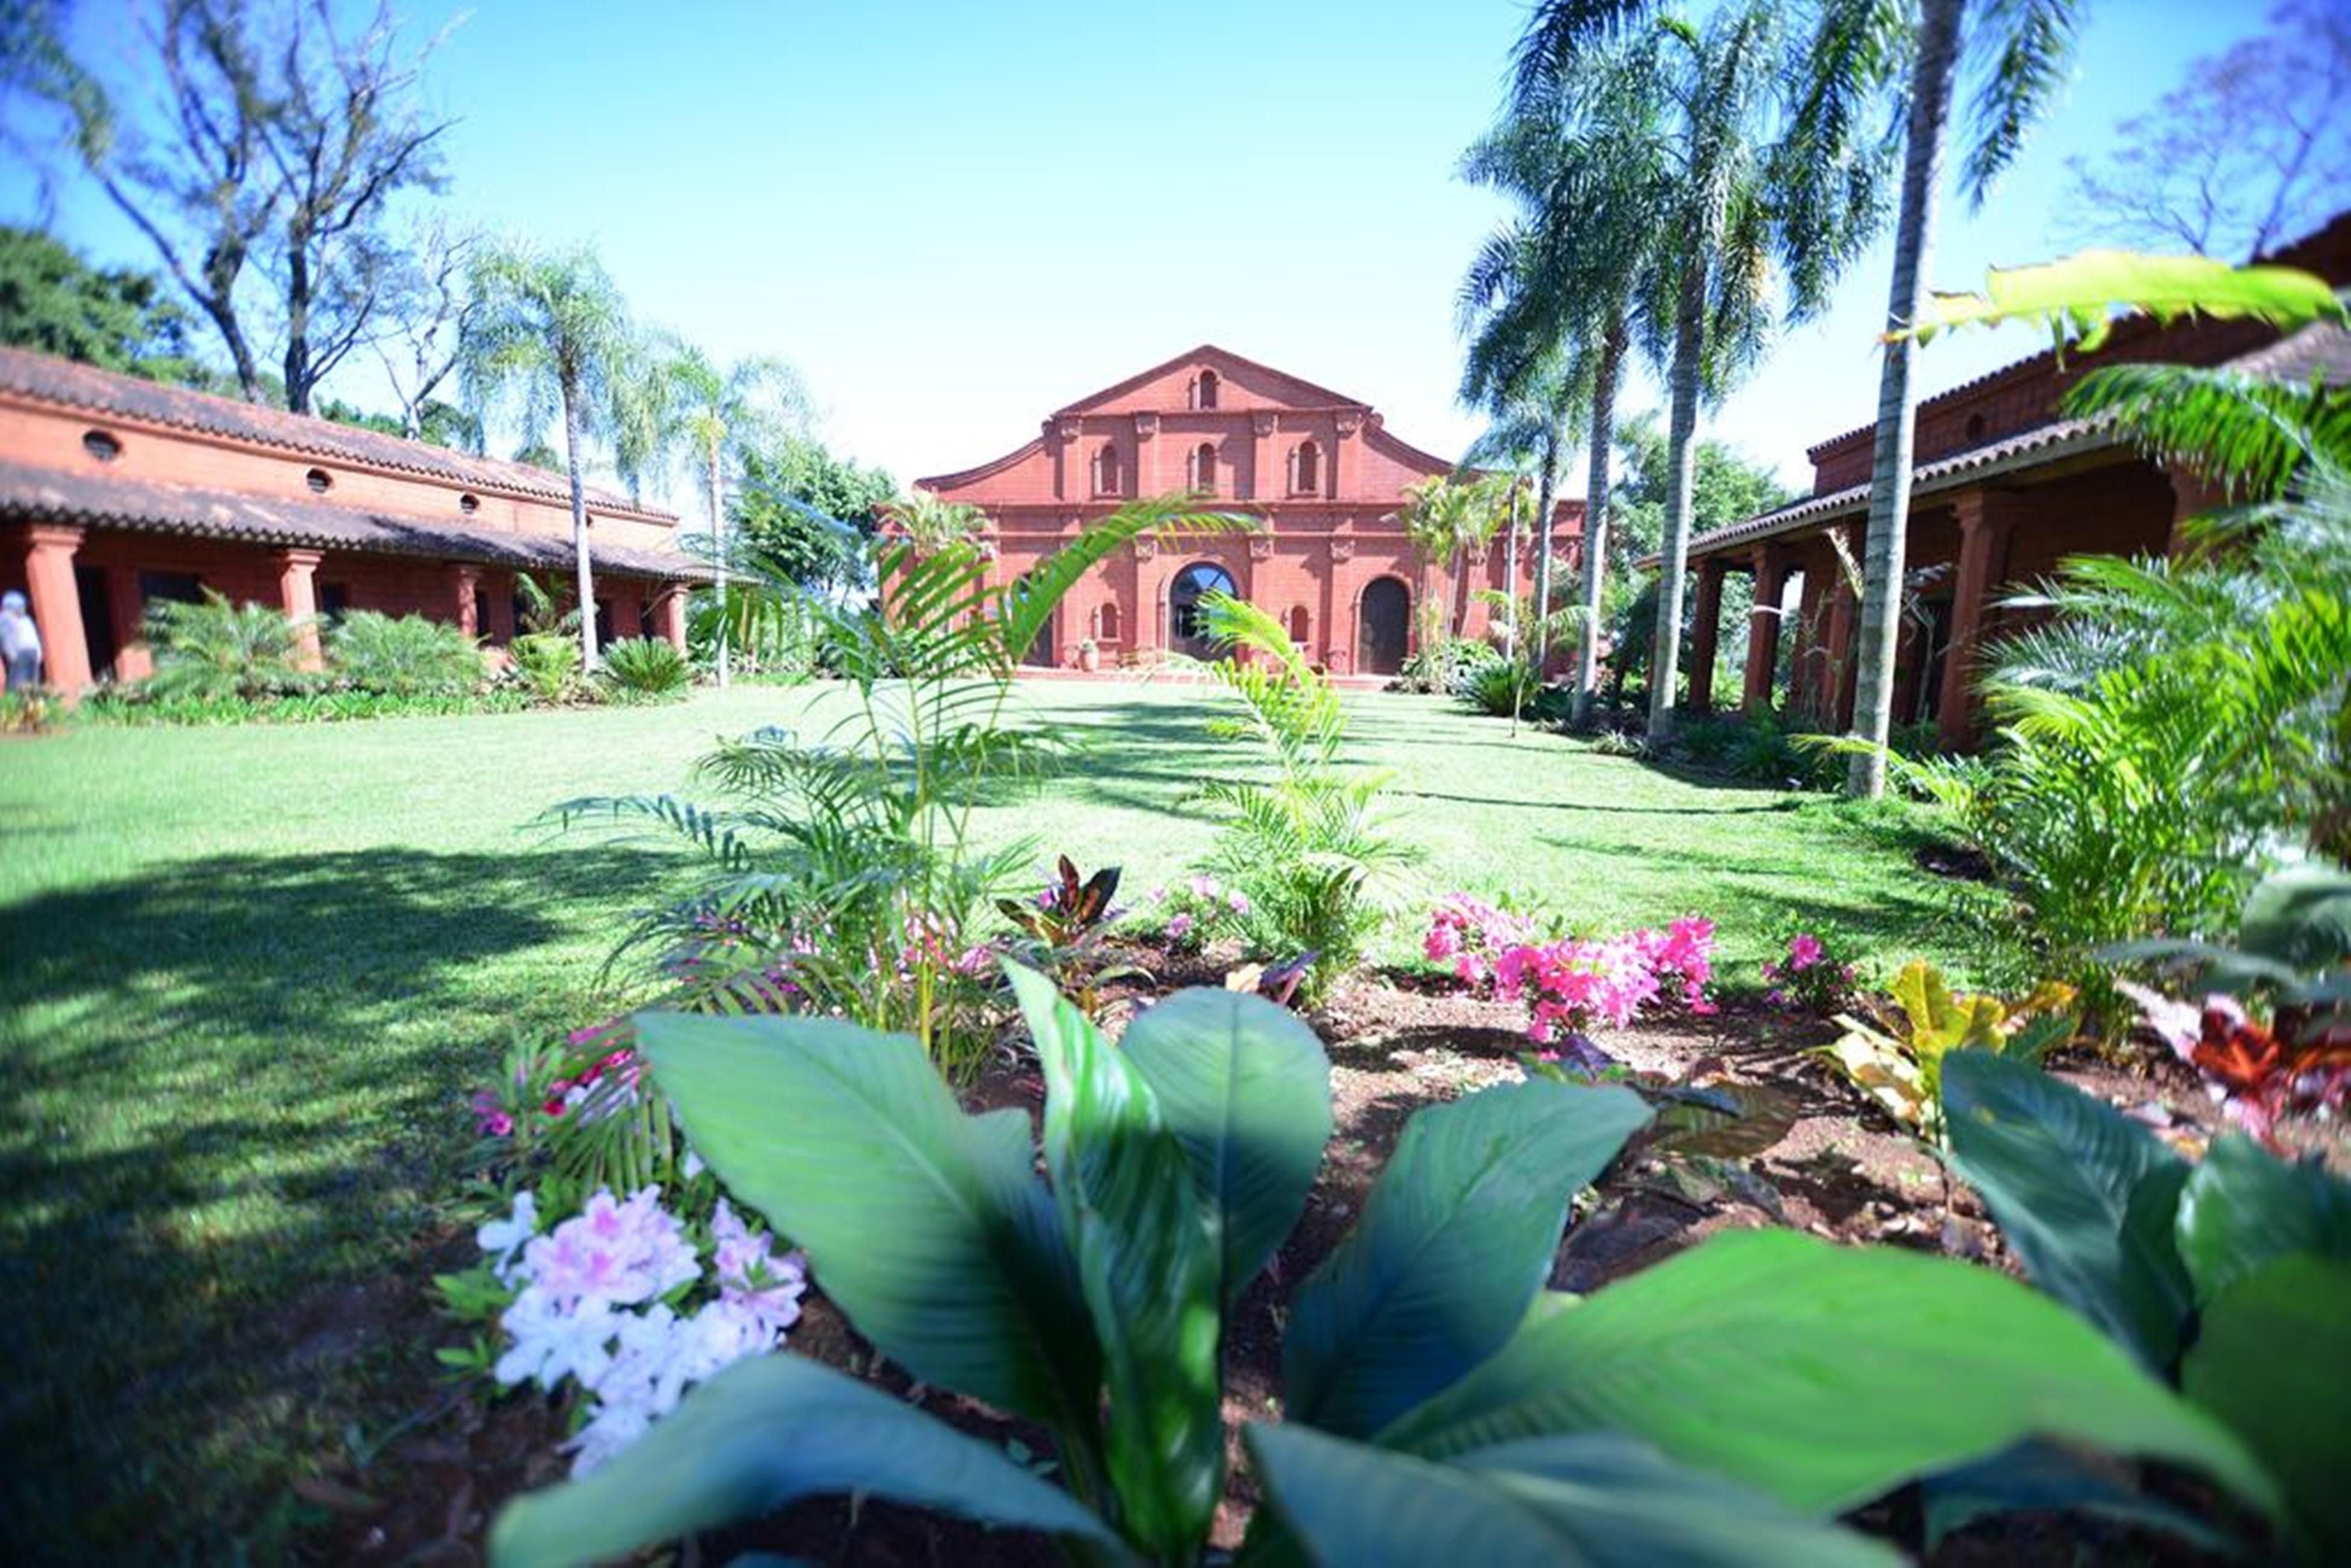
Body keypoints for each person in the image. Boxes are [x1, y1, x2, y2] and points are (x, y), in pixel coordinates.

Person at [1, 589, 43, 690]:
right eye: (19, 607)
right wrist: (13, 655)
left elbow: (34, 637)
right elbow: (6, 640)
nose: (22, 609)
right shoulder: (6, 619)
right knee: (18, 683)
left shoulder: (26, 620)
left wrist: (39, 653)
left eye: (23, 606)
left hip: (32, 653)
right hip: (20, 654)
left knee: (33, 682)